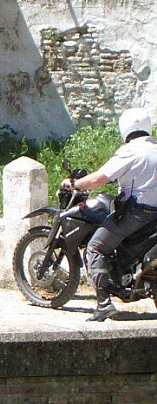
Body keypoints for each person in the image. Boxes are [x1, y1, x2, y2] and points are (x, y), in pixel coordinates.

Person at [60, 108, 157, 322]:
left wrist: (74, 184)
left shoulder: (130, 151)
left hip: (136, 214)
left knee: (96, 247)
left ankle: (103, 305)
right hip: (154, 217)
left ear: (125, 128)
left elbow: (98, 179)